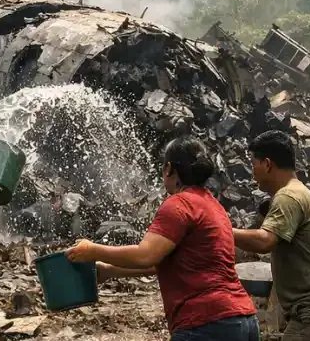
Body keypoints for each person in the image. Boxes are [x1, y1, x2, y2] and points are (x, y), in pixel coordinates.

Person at [68, 136, 259, 341]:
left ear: (169, 168)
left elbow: (146, 255)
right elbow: (164, 261)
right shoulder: (213, 206)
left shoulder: (178, 204)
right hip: (243, 319)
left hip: (206, 323)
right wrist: (109, 270)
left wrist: (91, 249)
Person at [232, 131, 310, 341]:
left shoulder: (288, 196)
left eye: (254, 164)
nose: (253, 174)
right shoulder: (299, 191)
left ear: (268, 164)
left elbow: (265, 241)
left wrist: (221, 229)